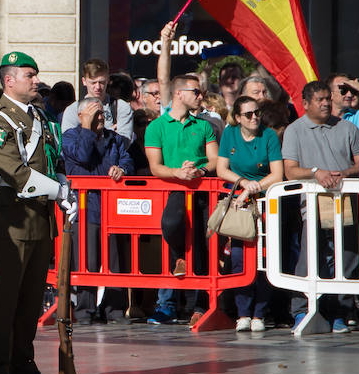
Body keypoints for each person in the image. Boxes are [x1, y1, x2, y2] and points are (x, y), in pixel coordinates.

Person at [0, 51, 77, 374]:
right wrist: (56, 190)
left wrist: (64, 185)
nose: (37, 81)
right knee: (7, 296)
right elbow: (13, 170)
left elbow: (53, 159)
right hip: (12, 217)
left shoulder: (41, 118)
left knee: (31, 297)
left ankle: (22, 362)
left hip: (40, 218)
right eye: (29, 75)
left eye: (36, 75)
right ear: (9, 80)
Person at [282, 80, 359, 334]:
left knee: (347, 257)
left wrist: (345, 173)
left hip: (345, 202)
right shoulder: (295, 130)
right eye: (320, 100)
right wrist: (316, 173)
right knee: (309, 258)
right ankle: (301, 310)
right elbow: (289, 170)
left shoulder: (347, 127)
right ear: (305, 104)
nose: (326, 103)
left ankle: (339, 311)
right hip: (313, 205)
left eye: (328, 98)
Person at [145, 73, 218, 326]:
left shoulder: (204, 125)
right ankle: (166, 303)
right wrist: (178, 172)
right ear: (179, 94)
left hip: (202, 190)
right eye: (196, 92)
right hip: (173, 191)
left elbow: (214, 160)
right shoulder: (156, 126)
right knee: (171, 227)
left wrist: (199, 171)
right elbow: (155, 166)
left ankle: (200, 305)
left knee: (204, 245)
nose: (201, 96)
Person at [62, 96, 134, 324]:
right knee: (87, 260)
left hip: (113, 208)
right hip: (85, 208)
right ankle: (85, 310)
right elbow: (82, 155)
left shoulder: (115, 139)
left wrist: (122, 169)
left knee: (115, 262)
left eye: (102, 113)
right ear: (81, 116)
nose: (101, 117)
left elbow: (129, 161)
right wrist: (87, 128)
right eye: (95, 113)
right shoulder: (70, 137)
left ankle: (114, 309)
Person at [216, 96, 284, 332]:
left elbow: (277, 174)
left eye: (257, 113)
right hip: (239, 201)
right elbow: (221, 169)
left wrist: (255, 187)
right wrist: (244, 184)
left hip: (265, 200)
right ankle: (242, 312)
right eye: (248, 114)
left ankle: (259, 314)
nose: (255, 117)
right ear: (237, 118)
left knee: (264, 258)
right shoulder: (229, 134)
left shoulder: (269, 136)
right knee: (238, 256)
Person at [61, 59, 133, 141]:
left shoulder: (121, 107)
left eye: (102, 82)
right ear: (84, 81)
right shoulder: (73, 110)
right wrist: (110, 132)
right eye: (93, 83)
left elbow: (124, 142)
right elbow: (69, 144)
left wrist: (85, 132)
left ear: (108, 80)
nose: (98, 87)